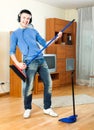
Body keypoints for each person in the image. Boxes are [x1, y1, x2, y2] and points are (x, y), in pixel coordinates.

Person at [10, 9, 62, 119]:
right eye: (24, 17)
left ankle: (47, 108)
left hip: (41, 60)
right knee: (29, 87)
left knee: (49, 84)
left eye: (28, 18)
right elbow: (12, 52)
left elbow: (45, 44)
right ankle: (27, 108)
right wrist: (18, 63)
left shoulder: (33, 31)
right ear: (20, 17)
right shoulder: (15, 34)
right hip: (29, 61)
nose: (26, 20)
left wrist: (56, 38)